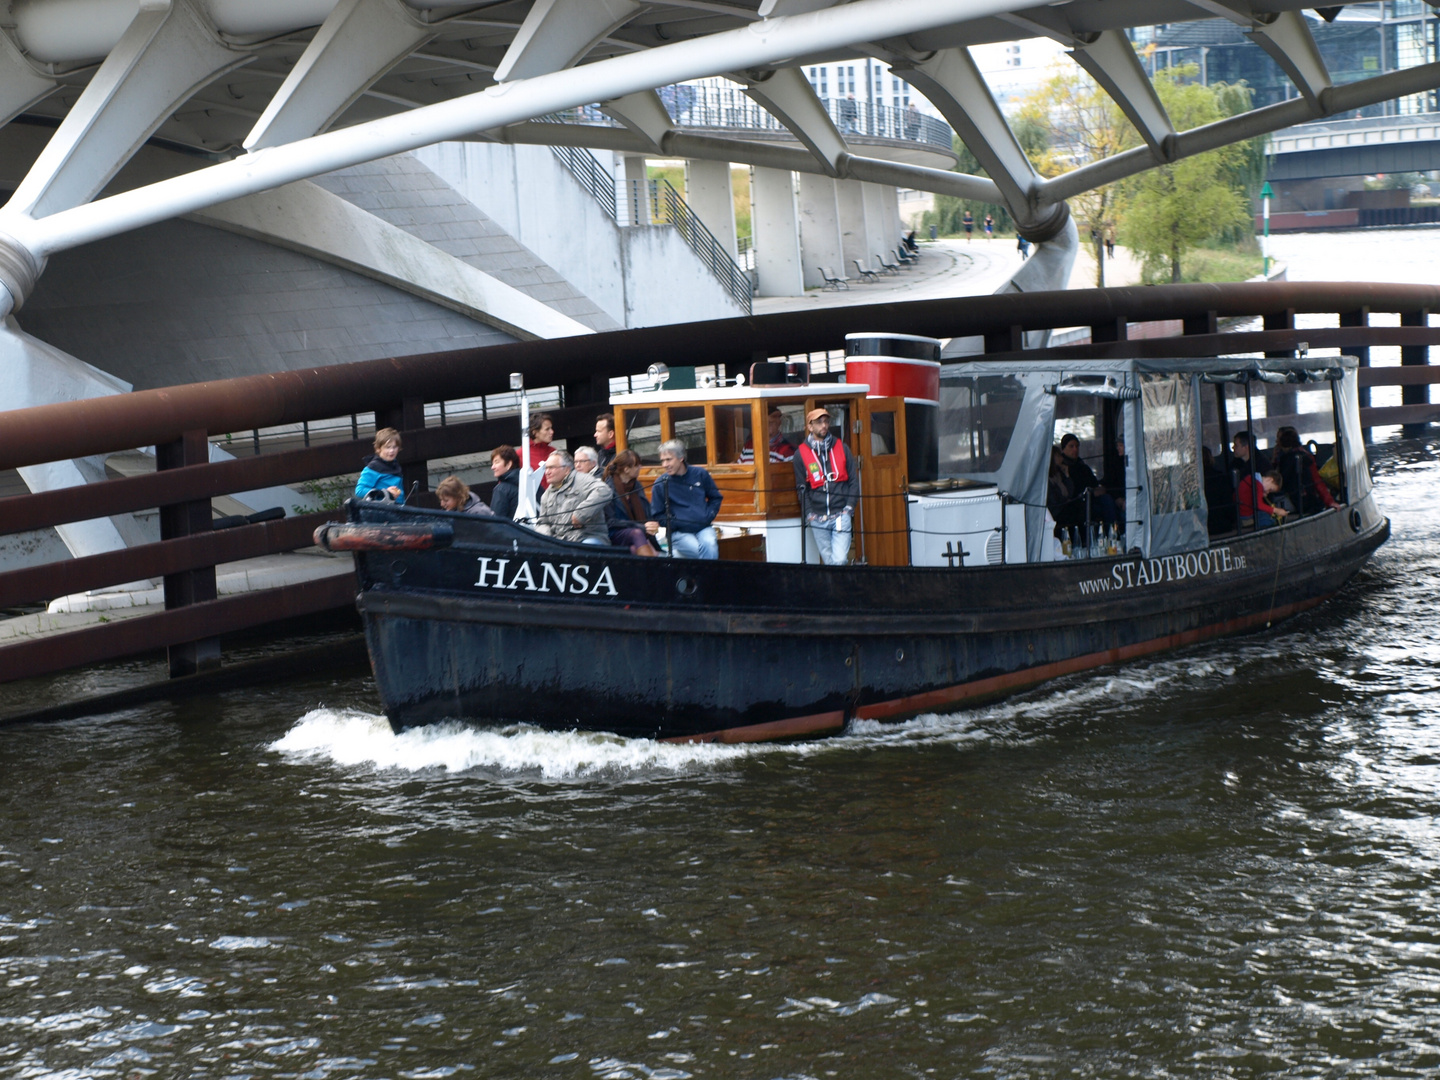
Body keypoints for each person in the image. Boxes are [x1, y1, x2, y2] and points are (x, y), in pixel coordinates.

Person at [794, 407, 860, 566]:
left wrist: (849, 509)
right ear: (810, 427)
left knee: (840, 560)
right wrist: (809, 513)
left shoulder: (842, 447)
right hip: (818, 518)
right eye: (819, 422)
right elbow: (801, 488)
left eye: (826, 421)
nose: (824, 425)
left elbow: (853, 481)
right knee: (830, 563)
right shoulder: (800, 454)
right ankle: (840, 589)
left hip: (841, 515)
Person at [650, 439, 722, 559]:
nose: (664, 465)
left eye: (668, 459)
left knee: (710, 546)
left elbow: (716, 498)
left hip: (703, 528)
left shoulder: (700, 474)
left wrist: (708, 515)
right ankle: (709, 578)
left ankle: (701, 577)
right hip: (678, 533)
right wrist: (677, 523)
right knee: (701, 552)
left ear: (681, 458)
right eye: (662, 461)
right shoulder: (660, 483)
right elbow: (658, 514)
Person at [535, 450, 610, 545]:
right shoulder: (546, 495)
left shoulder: (582, 480)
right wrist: (546, 537)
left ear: (566, 470)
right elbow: (543, 523)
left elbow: (604, 491)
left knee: (585, 549)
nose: (547, 472)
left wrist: (581, 514)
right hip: (561, 543)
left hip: (587, 537)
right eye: (546, 468)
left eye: (552, 468)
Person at [604, 449, 660, 556]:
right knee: (636, 533)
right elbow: (610, 522)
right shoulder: (608, 488)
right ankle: (655, 569)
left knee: (637, 549)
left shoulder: (636, 485)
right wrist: (641, 526)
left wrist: (652, 524)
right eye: (637, 465)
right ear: (626, 469)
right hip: (615, 533)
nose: (641, 467)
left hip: (638, 532)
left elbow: (647, 511)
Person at [1274, 426, 1337, 515]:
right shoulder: (1303, 455)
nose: (1276, 442)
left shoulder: (1290, 458)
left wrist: (1329, 501)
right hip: (1303, 499)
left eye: (1278, 439)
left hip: (1296, 499)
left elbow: (1316, 480)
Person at [1058, 433, 1117, 524]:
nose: (1075, 449)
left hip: (1090, 498)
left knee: (1107, 499)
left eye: (1077, 446)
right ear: (1063, 448)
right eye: (1071, 446)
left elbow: (1093, 482)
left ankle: (1112, 530)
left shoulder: (1082, 466)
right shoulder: (1061, 467)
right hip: (1075, 502)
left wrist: (1098, 489)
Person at [354, 427, 405, 504]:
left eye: (394, 447)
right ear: (378, 449)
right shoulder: (373, 468)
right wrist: (385, 493)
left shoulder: (395, 464)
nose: (392, 451)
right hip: (380, 511)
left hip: (397, 509)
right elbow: (359, 490)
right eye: (388, 447)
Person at [1201, 446, 1236, 534]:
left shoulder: (1194, 483)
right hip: (1222, 524)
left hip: (1201, 527)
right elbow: (1228, 502)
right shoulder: (1220, 477)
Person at [489, 445, 521, 519]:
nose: (492, 467)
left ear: (509, 464)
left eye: (496, 462)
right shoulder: (532, 483)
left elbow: (496, 521)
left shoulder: (501, 489)